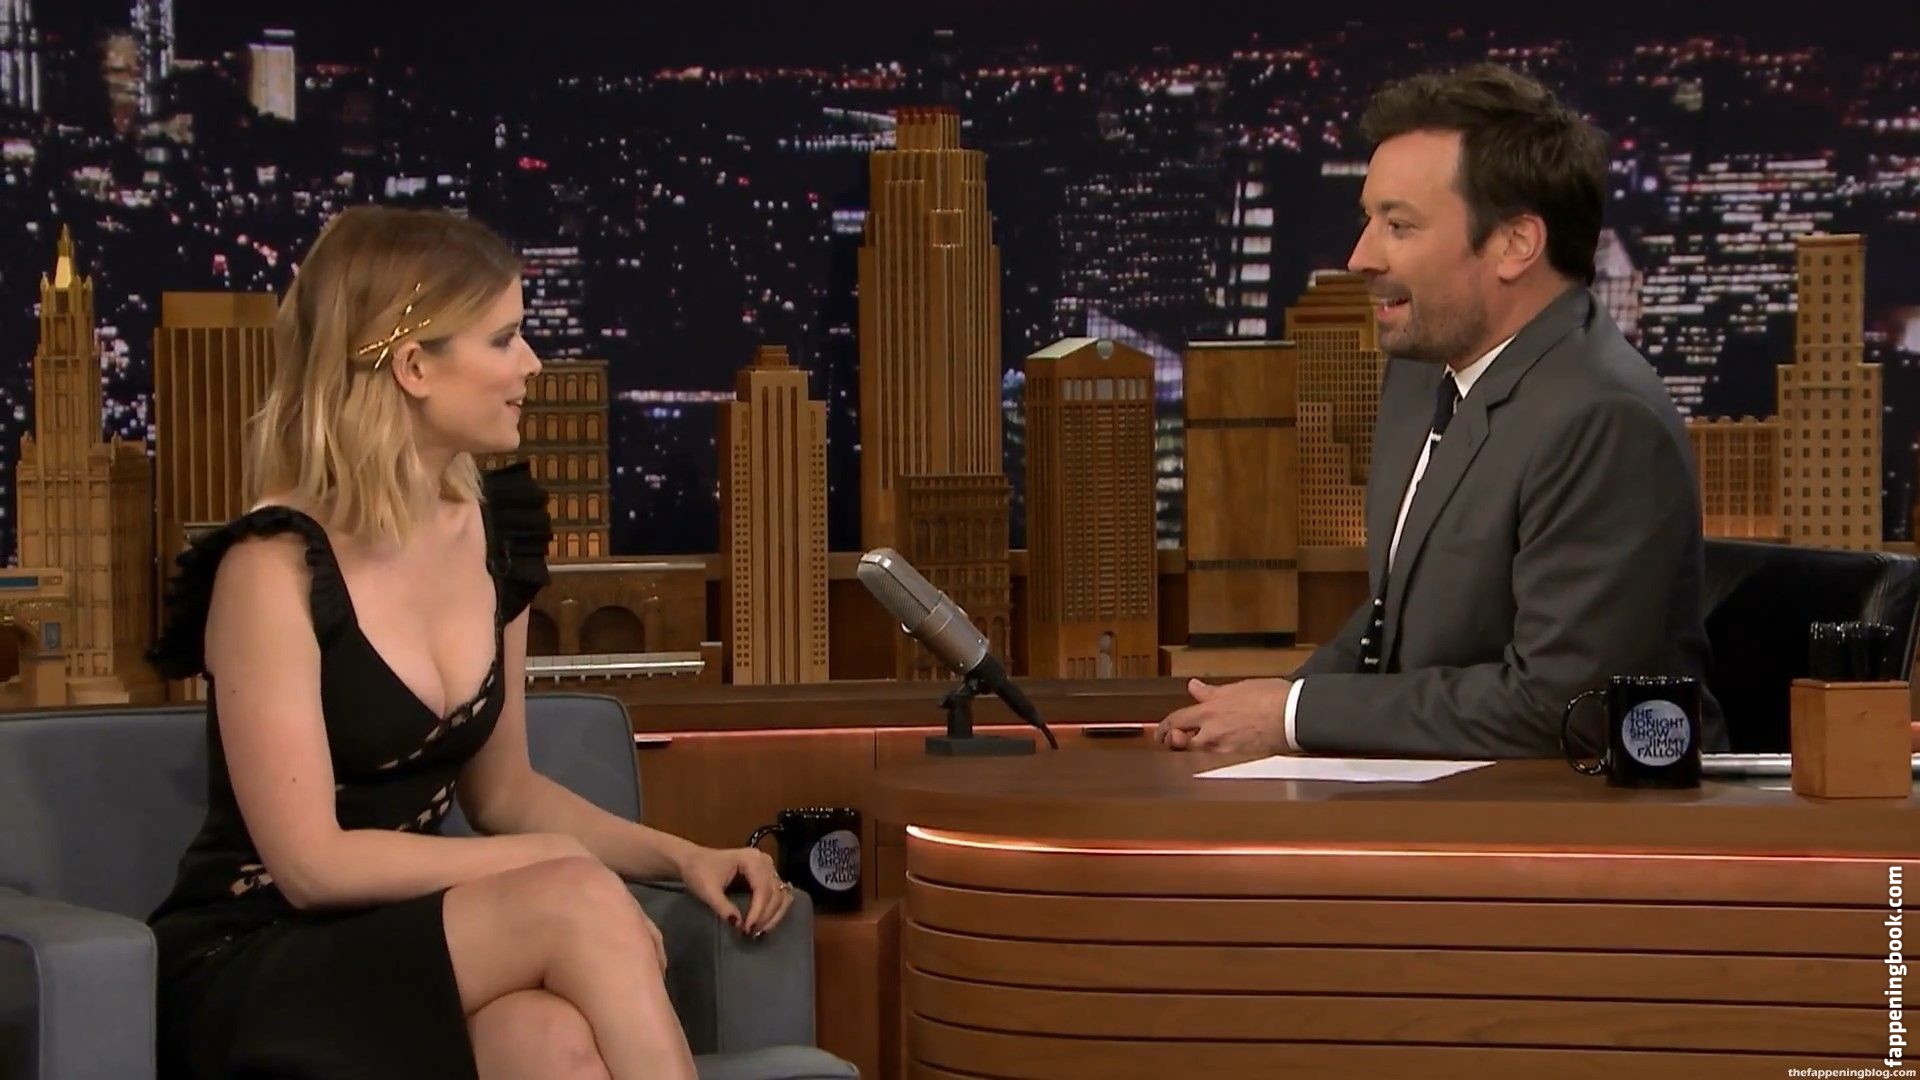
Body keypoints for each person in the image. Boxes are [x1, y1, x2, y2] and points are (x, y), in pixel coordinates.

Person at [146, 205, 792, 1080]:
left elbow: (507, 794)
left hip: (414, 940)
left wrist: (684, 857)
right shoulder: (271, 568)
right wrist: (555, 865)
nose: (531, 365)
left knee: (553, 1044)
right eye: (504, 339)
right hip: (256, 956)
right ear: (413, 365)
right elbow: (311, 866)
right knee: (572, 900)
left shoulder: (497, 536)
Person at [1158, 63, 1726, 759]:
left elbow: (1565, 706)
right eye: (1368, 220)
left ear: (1515, 244)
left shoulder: (1603, 420)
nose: (1360, 257)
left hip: (1582, 813)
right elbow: (1392, 623)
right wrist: (1271, 707)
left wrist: (1297, 715)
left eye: (1398, 225)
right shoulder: (1421, 375)